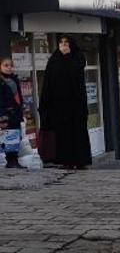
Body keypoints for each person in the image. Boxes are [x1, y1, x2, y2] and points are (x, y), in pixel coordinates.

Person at [38, 35, 92, 170]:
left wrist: (67, 58)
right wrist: (45, 104)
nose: (63, 45)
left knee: (77, 133)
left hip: (75, 106)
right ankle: (65, 160)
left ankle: (80, 160)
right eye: (61, 42)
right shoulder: (54, 59)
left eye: (66, 42)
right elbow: (48, 83)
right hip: (59, 107)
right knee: (62, 134)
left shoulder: (78, 58)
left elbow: (76, 75)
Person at [1, 58, 25, 169]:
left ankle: (14, 160)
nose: (9, 67)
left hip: (16, 112)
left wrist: (21, 109)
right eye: (6, 65)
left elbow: (18, 97)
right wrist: (2, 115)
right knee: (9, 137)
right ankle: (10, 161)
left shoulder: (14, 79)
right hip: (7, 113)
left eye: (10, 65)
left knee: (16, 136)